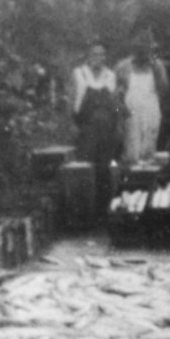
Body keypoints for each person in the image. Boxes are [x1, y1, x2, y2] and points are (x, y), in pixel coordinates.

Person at [71, 42, 123, 220]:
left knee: (104, 169)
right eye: (94, 54)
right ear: (88, 55)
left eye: (101, 54)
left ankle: (103, 212)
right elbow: (76, 97)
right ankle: (85, 213)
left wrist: (117, 124)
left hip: (106, 128)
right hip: (86, 126)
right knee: (85, 168)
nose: (98, 58)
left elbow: (112, 100)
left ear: (105, 57)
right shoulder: (79, 73)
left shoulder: (110, 75)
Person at [116, 27, 169, 162]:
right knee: (131, 153)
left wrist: (156, 70)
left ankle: (148, 180)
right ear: (134, 48)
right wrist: (120, 111)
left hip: (151, 112)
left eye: (147, 48)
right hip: (130, 114)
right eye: (140, 47)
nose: (143, 51)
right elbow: (115, 96)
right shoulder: (123, 67)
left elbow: (164, 90)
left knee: (148, 151)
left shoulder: (157, 66)